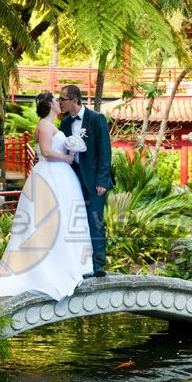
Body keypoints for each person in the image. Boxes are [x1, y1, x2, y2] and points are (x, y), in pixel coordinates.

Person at [0, 92, 93, 300]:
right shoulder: (44, 125)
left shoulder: (51, 124)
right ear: (49, 105)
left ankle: (68, 262)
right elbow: (47, 152)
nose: (60, 103)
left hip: (59, 175)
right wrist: (68, 158)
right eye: (56, 101)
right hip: (50, 174)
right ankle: (45, 268)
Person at [59, 85, 113, 278]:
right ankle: (81, 265)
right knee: (76, 221)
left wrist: (102, 181)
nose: (59, 103)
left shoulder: (97, 119)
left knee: (95, 221)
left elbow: (105, 152)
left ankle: (98, 265)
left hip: (95, 181)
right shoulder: (65, 123)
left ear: (74, 100)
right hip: (72, 179)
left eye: (62, 99)